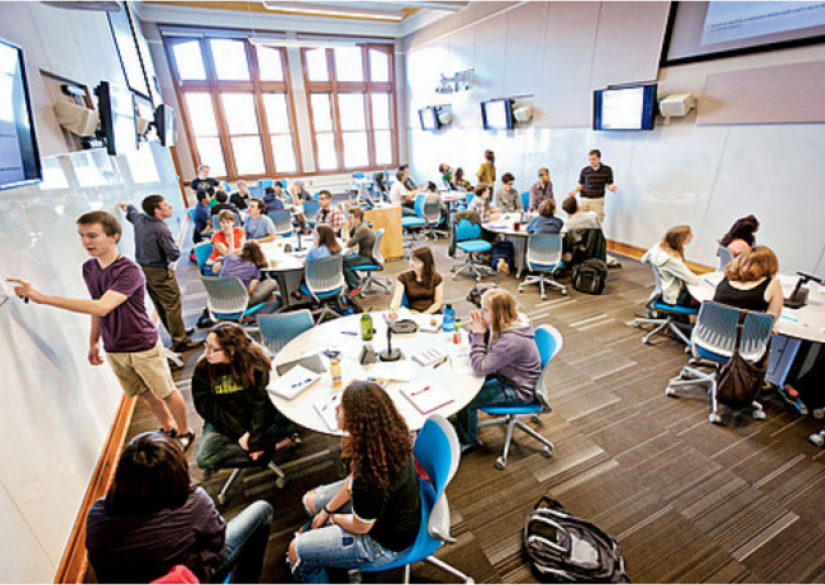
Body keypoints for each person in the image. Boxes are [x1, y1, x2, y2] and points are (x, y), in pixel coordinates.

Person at [8, 211, 194, 449]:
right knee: (144, 393)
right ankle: (167, 427)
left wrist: (42, 298)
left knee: (166, 392)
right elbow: (95, 306)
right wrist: (94, 341)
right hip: (114, 347)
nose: (86, 242)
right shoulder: (89, 269)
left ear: (114, 236)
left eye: (93, 235)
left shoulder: (129, 271)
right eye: (83, 236)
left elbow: (103, 306)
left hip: (142, 344)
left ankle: (184, 431)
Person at [86, 432, 273, 585]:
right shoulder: (193, 502)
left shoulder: (97, 513)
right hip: (190, 579)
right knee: (262, 511)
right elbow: (218, 542)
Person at [287, 381, 421, 584]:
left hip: (382, 544)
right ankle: (340, 558)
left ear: (357, 421)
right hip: (386, 514)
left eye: (341, 408)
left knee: (296, 551)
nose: (336, 409)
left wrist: (333, 518)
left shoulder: (371, 478)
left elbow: (361, 527)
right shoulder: (385, 439)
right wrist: (326, 509)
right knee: (310, 502)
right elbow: (352, 478)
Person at [194, 323, 298, 472]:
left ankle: (260, 448)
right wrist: (240, 433)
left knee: (293, 422)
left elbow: (262, 405)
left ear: (231, 351)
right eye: (206, 345)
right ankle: (272, 449)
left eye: (213, 349)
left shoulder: (256, 364)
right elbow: (206, 406)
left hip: (257, 417)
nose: (206, 352)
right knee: (205, 459)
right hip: (225, 418)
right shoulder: (203, 367)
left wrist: (255, 440)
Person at [453, 289, 542, 449]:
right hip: (508, 374)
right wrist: (481, 329)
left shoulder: (512, 340)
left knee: (467, 398)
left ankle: (468, 440)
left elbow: (480, 367)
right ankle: (462, 420)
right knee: (463, 383)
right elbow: (487, 350)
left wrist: (478, 334)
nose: (481, 312)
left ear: (499, 313)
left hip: (518, 389)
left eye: (485, 310)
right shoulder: (509, 321)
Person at [119, 196, 200, 353]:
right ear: (157, 211)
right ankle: (181, 341)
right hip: (159, 271)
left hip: (144, 270)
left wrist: (127, 206)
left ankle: (177, 332)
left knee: (161, 305)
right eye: (165, 205)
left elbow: (132, 212)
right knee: (171, 304)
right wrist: (174, 246)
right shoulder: (161, 229)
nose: (169, 206)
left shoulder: (140, 219)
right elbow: (174, 254)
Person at [713, 245, 782, 321]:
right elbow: (772, 319)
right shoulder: (772, 284)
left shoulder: (727, 277)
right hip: (743, 331)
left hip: (712, 329)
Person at [641, 225, 702, 307]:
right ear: (681, 239)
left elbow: (644, 259)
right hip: (672, 297)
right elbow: (694, 281)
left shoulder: (659, 246)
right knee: (703, 299)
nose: (692, 237)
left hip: (663, 291)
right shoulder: (672, 260)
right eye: (690, 235)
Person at [219, 242, 279, 308]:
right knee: (272, 282)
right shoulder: (254, 267)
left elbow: (216, 266)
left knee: (255, 283)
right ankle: (271, 309)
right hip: (240, 304)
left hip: (220, 301)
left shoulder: (229, 257)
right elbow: (250, 291)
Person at [389, 246, 444, 315]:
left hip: (432, 313)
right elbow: (397, 299)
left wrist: (423, 315)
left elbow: (438, 303)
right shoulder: (403, 278)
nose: (411, 263)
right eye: (411, 259)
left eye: (416, 261)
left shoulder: (436, 278)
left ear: (425, 263)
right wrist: (392, 311)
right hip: (413, 313)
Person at [568, 149, 616, 223]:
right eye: (590, 159)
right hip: (584, 199)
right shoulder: (585, 170)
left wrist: (611, 187)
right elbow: (581, 184)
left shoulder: (607, 170)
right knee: (581, 221)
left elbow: (608, 184)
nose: (591, 162)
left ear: (599, 158)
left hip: (597, 199)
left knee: (597, 222)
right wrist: (575, 191)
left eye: (593, 159)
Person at [342, 207, 376, 293]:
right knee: (344, 258)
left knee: (342, 263)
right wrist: (348, 228)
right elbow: (346, 238)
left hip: (367, 258)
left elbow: (348, 244)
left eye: (350, 218)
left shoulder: (362, 229)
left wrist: (345, 228)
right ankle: (356, 280)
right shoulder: (360, 225)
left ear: (357, 218)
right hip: (366, 254)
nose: (348, 220)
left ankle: (355, 285)